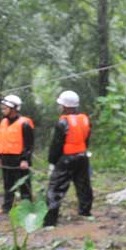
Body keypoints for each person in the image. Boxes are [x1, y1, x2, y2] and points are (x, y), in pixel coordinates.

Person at [43, 90, 93, 227]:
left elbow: (56, 145)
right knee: (83, 185)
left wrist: (52, 162)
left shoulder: (63, 123)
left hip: (67, 159)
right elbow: (86, 140)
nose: (60, 107)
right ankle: (85, 212)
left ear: (65, 106)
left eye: (61, 105)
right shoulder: (85, 119)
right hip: (82, 157)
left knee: (56, 188)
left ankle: (50, 221)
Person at [0, 94, 34, 213]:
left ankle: (28, 208)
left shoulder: (25, 123)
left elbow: (29, 144)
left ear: (14, 108)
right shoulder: (3, 122)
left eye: (5, 108)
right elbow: (0, 140)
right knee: (8, 184)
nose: (2, 110)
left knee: (24, 185)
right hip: (6, 158)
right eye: (2, 108)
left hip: (20, 159)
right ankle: (8, 207)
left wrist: (25, 159)